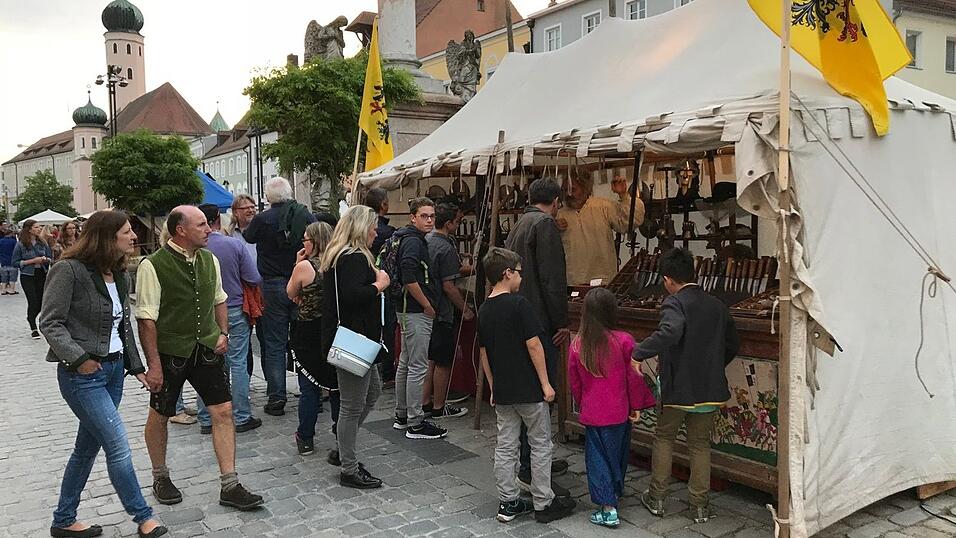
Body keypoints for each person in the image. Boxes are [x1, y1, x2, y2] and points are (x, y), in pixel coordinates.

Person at [39, 210, 166, 538]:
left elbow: (124, 326)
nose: (134, 237)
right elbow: (50, 321)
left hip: (111, 373)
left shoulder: (119, 274)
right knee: (118, 444)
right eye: (127, 232)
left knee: (86, 449)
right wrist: (79, 358)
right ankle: (144, 516)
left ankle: (64, 518)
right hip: (83, 376)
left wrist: (136, 367)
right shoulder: (68, 270)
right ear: (107, 237)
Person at [137, 205, 263, 511]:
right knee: (161, 413)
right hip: (170, 352)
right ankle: (160, 476)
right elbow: (146, 319)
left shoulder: (209, 259)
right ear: (181, 230)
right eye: (202, 225)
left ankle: (230, 484)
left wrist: (222, 333)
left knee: (223, 411)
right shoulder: (152, 265)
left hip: (206, 349)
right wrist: (153, 365)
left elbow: (220, 297)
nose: (210, 229)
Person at [634, 248, 739, 524]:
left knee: (665, 437)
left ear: (668, 280)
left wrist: (639, 352)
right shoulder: (717, 305)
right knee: (700, 444)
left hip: (678, 387)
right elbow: (732, 345)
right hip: (709, 388)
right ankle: (700, 506)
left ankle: (657, 497)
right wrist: (714, 366)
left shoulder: (674, 303)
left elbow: (671, 331)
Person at [478, 247, 575, 524]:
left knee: (506, 445)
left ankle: (507, 502)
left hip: (505, 390)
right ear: (507, 274)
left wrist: (494, 386)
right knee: (540, 443)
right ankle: (544, 501)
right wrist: (546, 383)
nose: (521, 277)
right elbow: (534, 345)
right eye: (519, 272)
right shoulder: (520, 305)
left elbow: (484, 352)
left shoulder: (485, 309)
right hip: (529, 388)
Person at [568, 287, 655, 528]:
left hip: (593, 411)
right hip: (619, 410)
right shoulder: (624, 340)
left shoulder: (577, 345)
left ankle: (607, 508)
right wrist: (637, 405)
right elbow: (633, 378)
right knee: (618, 454)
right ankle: (615, 492)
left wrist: (582, 402)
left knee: (597, 459)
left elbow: (574, 382)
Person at [504, 178, 571, 492]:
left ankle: (535, 459)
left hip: (522, 314)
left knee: (532, 393)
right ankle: (532, 466)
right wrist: (561, 321)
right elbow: (552, 279)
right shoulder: (544, 224)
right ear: (556, 200)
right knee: (541, 393)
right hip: (538, 319)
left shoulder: (521, 223)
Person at [320, 206, 391, 489]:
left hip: (357, 339)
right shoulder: (352, 257)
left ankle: (343, 446)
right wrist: (380, 285)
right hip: (353, 339)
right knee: (351, 405)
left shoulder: (345, 255)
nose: (376, 232)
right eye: (373, 227)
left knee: (371, 393)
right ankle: (348, 466)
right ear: (361, 228)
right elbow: (353, 297)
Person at [244, 178, 316, 416]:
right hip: (302, 280)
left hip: (272, 284)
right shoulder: (304, 215)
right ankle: (310, 391)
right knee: (304, 338)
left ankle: (277, 397)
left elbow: (249, 238)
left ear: (268, 196)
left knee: (274, 343)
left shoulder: (262, 219)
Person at [195, 204, 263, 435]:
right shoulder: (233, 245)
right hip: (233, 308)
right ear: (218, 220)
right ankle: (242, 416)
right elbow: (253, 277)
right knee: (238, 363)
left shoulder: (192, 250)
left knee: (206, 366)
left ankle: (206, 418)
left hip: (203, 313)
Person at [391, 197, 447, 440]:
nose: (430, 220)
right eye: (424, 216)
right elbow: (409, 276)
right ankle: (415, 421)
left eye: (432, 216)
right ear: (413, 217)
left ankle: (403, 414)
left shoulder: (404, 237)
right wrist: (427, 305)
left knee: (406, 361)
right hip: (414, 310)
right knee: (417, 365)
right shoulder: (413, 241)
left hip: (405, 309)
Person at [288, 221, 340, 462]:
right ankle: (341, 434)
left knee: (309, 388)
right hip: (333, 330)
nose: (303, 243)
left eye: (306, 239)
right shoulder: (338, 262)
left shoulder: (305, 267)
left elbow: (291, 293)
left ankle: (306, 437)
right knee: (337, 385)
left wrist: (297, 265)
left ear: (315, 241)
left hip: (308, 332)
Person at [422, 202, 472, 419]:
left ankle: (425, 402)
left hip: (427, 309)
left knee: (430, 360)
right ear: (449, 223)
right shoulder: (444, 246)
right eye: (458, 221)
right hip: (441, 310)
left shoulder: (427, 240)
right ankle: (439, 406)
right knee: (442, 361)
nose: (458, 224)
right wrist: (465, 308)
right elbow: (449, 286)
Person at [556, 173, 644, 285]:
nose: (568, 194)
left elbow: (631, 221)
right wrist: (553, 227)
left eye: (573, 189)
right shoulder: (559, 214)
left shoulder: (603, 207)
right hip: (573, 281)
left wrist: (624, 195)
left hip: (603, 279)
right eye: (565, 190)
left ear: (585, 189)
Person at [364, 187, 397, 385]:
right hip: (382, 287)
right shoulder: (388, 233)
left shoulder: (377, 230)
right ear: (383, 205)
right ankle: (386, 371)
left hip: (371, 286)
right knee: (387, 328)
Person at [13, 219, 53, 339]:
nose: (39, 229)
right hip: (28, 275)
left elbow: (50, 257)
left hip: (42, 273)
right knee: (33, 301)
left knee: (42, 302)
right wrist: (31, 261)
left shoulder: (43, 242)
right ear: (29, 229)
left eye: (39, 227)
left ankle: (33, 318)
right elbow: (15, 262)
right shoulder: (21, 244)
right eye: (36, 227)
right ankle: (33, 326)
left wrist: (46, 259)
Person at [0, 230, 19, 295]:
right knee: (12, 277)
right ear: (10, 234)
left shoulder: (0, 241)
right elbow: (17, 251)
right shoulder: (13, 241)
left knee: (4, 277)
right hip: (12, 261)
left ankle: (3, 290)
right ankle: (11, 290)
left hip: (3, 262)